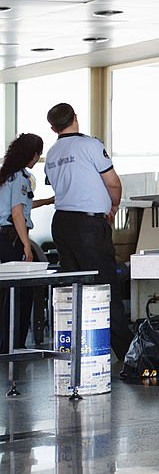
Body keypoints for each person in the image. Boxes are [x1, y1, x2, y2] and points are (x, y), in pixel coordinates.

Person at [44, 103, 132, 361]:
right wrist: (114, 205)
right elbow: (112, 181)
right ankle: (127, 354)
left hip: (61, 224)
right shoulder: (91, 145)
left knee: (74, 288)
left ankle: (80, 349)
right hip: (89, 227)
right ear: (75, 118)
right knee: (106, 286)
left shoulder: (52, 153)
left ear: (53, 128)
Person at [0, 134, 53, 352]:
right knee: (20, 291)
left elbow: (25, 205)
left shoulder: (5, 176)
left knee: (4, 291)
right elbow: (17, 213)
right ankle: (14, 343)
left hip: (2, 237)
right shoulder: (21, 177)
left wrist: (49, 201)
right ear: (33, 155)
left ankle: (4, 343)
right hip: (11, 237)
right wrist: (25, 245)